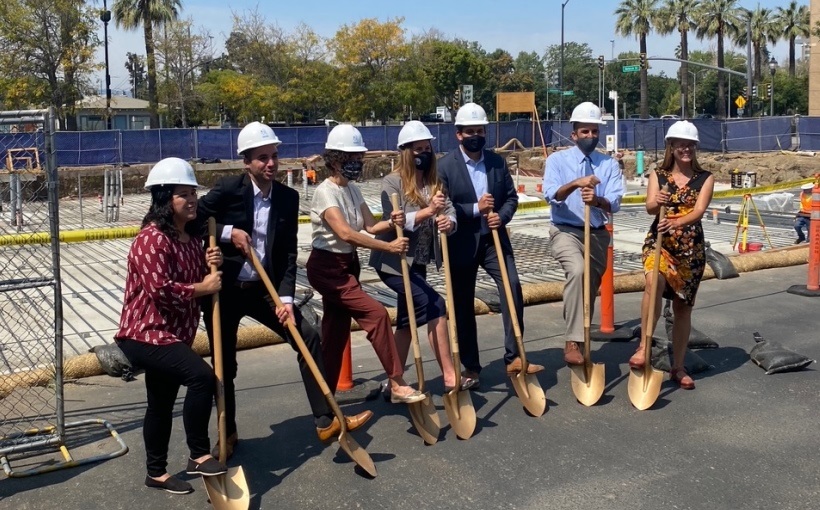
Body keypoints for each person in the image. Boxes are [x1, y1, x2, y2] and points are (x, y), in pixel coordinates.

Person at [194, 122, 372, 458]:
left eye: (274, 156)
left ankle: (325, 419)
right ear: (247, 161)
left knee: (307, 335)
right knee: (224, 364)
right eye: (262, 158)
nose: (271, 164)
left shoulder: (288, 199)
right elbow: (192, 220)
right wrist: (228, 232)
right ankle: (227, 432)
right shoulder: (229, 189)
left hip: (264, 287)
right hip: (226, 289)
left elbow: (288, 252)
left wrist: (287, 298)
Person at [115, 157, 227, 495]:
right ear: (165, 199)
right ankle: (198, 453)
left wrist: (210, 268)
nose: (192, 200)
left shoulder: (192, 240)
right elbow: (160, 291)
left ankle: (156, 473)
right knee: (202, 377)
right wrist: (202, 288)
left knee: (160, 404)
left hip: (173, 335)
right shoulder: (152, 239)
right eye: (183, 194)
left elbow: (200, 283)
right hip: (144, 334)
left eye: (193, 193)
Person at [306, 124, 425, 404]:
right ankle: (396, 381)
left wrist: (393, 221)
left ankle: (324, 401)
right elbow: (346, 233)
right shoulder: (325, 192)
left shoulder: (353, 190)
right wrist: (390, 246)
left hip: (347, 266)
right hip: (327, 269)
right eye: (351, 159)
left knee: (335, 335)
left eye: (359, 158)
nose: (356, 164)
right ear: (334, 160)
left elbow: (370, 226)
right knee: (377, 315)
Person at [437, 102, 543, 387]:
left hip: (493, 239)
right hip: (461, 242)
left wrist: (502, 217)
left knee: (512, 287)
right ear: (458, 134)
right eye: (469, 131)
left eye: (480, 130)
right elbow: (443, 208)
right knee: (462, 304)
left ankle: (514, 356)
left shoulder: (496, 162)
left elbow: (511, 197)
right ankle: (471, 366)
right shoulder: (445, 167)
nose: (475, 135)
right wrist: (475, 208)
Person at [369, 121, 464, 394]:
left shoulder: (435, 181)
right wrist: (428, 212)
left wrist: (450, 222)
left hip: (418, 261)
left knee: (408, 323)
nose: (423, 153)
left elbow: (449, 208)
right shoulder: (392, 182)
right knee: (435, 304)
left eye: (427, 148)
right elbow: (395, 220)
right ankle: (449, 375)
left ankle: (393, 382)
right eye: (417, 149)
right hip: (393, 262)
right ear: (405, 152)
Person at [629, 120, 715, 390]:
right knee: (654, 282)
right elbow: (650, 209)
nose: (685, 148)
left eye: (690, 144)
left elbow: (699, 211)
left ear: (695, 147)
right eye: (680, 144)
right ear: (672, 147)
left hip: (690, 250)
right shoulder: (659, 175)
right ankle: (644, 347)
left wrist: (677, 222)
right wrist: (659, 201)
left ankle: (678, 367)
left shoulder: (705, 178)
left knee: (682, 308)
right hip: (660, 244)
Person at [543, 102, 625, 366]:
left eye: (594, 132)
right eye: (585, 131)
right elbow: (552, 194)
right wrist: (576, 183)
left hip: (597, 233)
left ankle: (579, 339)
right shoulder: (557, 161)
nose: (590, 136)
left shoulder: (609, 164)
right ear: (573, 133)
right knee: (577, 271)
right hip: (565, 230)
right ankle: (572, 341)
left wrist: (597, 200)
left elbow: (614, 201)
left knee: (588, 287)